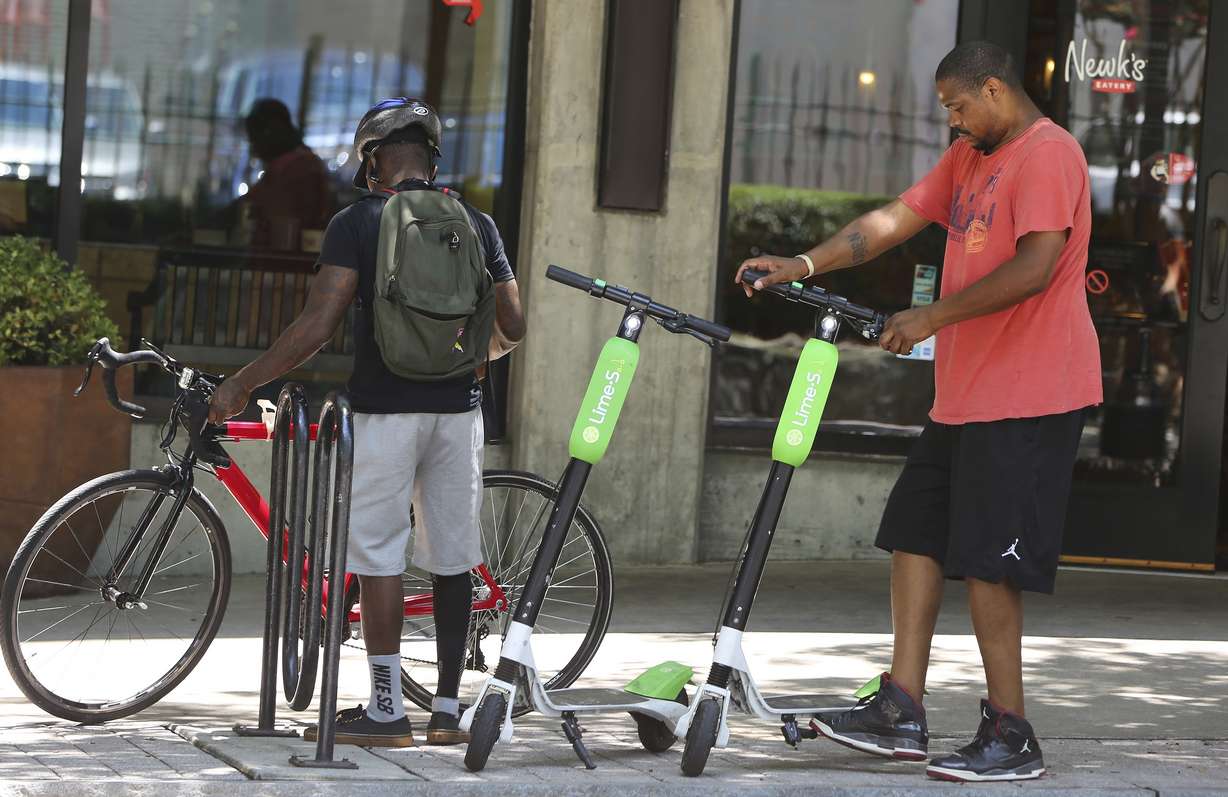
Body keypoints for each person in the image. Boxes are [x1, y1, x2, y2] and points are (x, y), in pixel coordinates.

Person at [736, 41, 1101, 782]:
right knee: (915, 532)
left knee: (990, 563)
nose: (953, 121)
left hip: (1031, 394)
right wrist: (799, 265)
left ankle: (1012, 729)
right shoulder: (971, 156)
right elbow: (892, 220)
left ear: (994, 90)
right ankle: (901, 703)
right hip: (966, 397)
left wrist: (930, 317)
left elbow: (1035, 268)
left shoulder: (1047, 154)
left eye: (958, 106)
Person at [208, 97, 526, 747]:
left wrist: (243, 381)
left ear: (376, 161)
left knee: (380, 557)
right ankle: (444, 709)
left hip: (383, 411)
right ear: (432, 160)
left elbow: (317, 326)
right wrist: (470, 359)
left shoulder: (357, 223)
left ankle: (386, 707)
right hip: (458, 413)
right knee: (453, 558)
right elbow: (514, 325)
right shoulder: (477, 224)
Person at [240, 98, 332, 247]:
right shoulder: (292, 165)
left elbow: (267, 205)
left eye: (255, 139)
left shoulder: (303, 167)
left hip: (289, 262)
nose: (254, 149)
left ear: (271, 131)